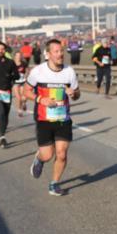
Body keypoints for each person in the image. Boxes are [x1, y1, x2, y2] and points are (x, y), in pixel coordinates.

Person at [25, 38, 81, 196]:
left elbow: (77, 94)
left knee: (62, 154)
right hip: (44, 119)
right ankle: (40, 158)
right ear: (48, 54)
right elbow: (26, 91)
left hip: (63, 119)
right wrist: (40, 99)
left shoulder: (69, 71)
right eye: (56, 51)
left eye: (61, 51)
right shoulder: (38, 71)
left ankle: (54, 184)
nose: (60, 54)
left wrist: (73, 93)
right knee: (48, 154)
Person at [13, 50, 31, 117]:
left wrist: (26, 75)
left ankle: (24, 103)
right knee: (19, 98)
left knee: (24, 98)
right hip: (15, 83)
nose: (18, 57)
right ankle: (19, 111)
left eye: (19, 56)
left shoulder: (23, 63)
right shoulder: (12, 63)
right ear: (14, 57)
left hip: (23, 82)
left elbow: (27, 70)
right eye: (17, 56)